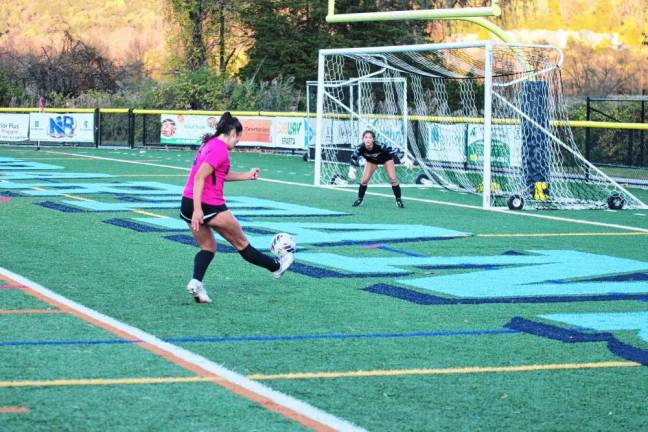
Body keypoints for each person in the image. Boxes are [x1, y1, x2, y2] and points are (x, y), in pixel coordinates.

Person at [180, 112, 294, 303]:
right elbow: (200, 176)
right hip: (208, 204)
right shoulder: (220, 149)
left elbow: (219, 174)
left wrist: (247, 175)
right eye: (238, 137)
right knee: (242, 244)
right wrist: (199, 209)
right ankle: (277, 267)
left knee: (208, 247)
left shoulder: (209, 144)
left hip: (188, 202)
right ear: (232, 133)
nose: (238, 141)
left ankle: (196, 283)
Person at [347, 130, 414, 208]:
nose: (368, 139)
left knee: (393, 179)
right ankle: (360, 199)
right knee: (364, 180)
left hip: (386, 159)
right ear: (363, 139)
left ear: (373, 140)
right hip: (372, 161)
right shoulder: (360, 147)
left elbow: (393, 150)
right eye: (366, 137)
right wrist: (351, 170)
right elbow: (354, 158)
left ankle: (398, 200)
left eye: (370, 137)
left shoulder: (380, 146)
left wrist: (404, 159)